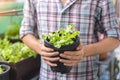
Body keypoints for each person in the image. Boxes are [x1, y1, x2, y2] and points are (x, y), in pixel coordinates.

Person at [20, 0, 120, 80]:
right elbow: (25, 31)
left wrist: (84, 51)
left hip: (84, 75)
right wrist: (39, 48)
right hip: (47, 75)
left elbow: (115, 38)